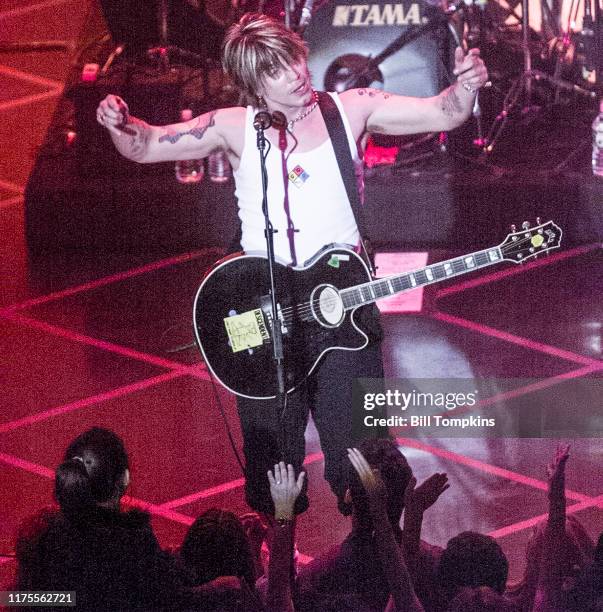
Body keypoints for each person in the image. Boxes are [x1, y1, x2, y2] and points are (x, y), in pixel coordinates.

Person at [96, 12, 489, 518]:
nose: (298, 74)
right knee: (271, 478)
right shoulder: (234, 127)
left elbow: (444, 112)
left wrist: (466, 87)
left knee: (368, 467)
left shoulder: (353, 108)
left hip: (344, 314)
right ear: (255, 82)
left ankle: (377, 571)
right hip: (260, 320)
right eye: (279, 70)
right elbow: (147, 143)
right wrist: (120, 123)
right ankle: (272, 581)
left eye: (295, 59)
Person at [15, 427, 193, 610]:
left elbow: (20, 599)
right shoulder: (133, 539)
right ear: (125, 478)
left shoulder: (41, 532)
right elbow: (160, 598)